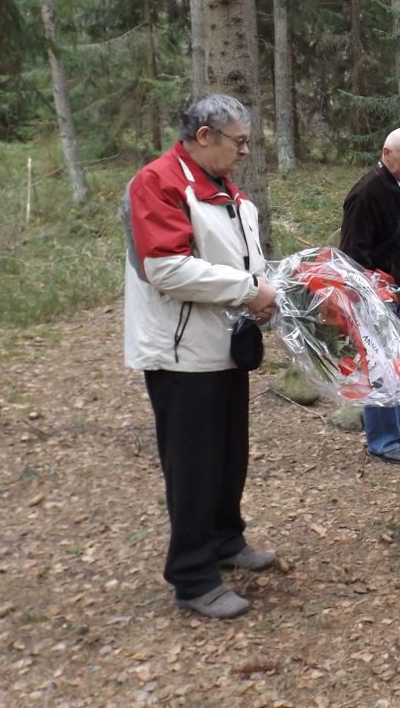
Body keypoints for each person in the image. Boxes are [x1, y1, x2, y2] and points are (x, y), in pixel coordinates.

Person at [121, 94, 278, 620]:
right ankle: (192, 576)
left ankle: (225, 540)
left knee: (229, 457)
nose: (245, 151)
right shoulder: (158, 182)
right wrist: (247, 290)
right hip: (179, 353)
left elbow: (245, 262)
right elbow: (166, 268)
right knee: (193, 466)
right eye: (239, 141)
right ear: (204, 135)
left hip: (223, 347)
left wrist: (268, 292)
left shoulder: (228, 191)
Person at [339, 126, 400, 465]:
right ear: (386, 152)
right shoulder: (366, 193)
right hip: (376, 297)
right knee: (379, 366)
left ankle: (396, 427)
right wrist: (371, 294)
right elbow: (351, 254)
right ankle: (381, 439)